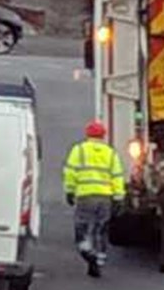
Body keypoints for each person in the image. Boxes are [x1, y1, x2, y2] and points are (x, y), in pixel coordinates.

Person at [64, 119, 125, 278]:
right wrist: (118, 198)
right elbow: (117, 176)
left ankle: (87, 252)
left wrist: (70, 191)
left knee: (82, 229)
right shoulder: (110, 153)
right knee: (101, 229)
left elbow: (70, 172)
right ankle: (99, 258)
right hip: (105, 197)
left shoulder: (79, 150)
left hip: (85, 196)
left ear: (87, 134)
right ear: (103, 135)